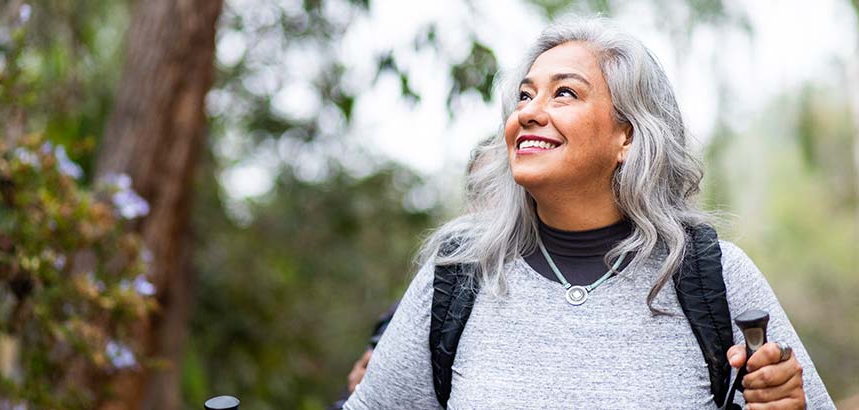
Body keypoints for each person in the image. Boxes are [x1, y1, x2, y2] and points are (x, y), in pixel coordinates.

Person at [343, 17, 834, 409]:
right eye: (524, 95)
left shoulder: (714, 276)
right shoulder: (457, 277)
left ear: (628, 136)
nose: (529, 112)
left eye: (564, 92)